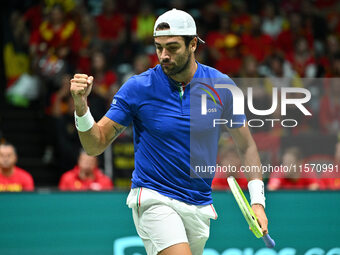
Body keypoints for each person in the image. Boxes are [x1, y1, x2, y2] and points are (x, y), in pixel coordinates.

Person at [70, 9, 269, 255]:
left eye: (172, 47)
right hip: (155, 197)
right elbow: (94, 145)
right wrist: (81, 107)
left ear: (193, 44)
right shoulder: (138, 88)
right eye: (158, 47)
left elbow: (246, 146)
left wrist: (258, 203)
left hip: (199, 205)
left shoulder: (221, 86)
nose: (163, 56)